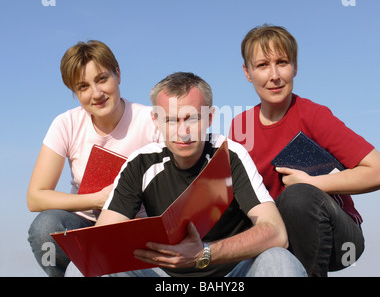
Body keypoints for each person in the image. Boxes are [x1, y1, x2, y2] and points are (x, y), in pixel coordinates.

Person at [65, 71, 306, 277]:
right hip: (165, 277)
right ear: (156, 120)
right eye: (170, 120)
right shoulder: (140, 163)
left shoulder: (230, 154)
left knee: (279, 260)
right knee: (82, 266)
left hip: (232, 275)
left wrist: (204, 253)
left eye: (192, 118)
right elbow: (101, 241)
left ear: (210, 118)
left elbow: (276, 232)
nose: (183, 132)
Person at [229, 24, 380, 276]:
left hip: (337, 236)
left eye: (282, 62)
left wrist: (313, 183)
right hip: (277, 237)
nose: (274, 75)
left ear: (295, 66)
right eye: (262, 65)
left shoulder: (312, 115)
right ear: (247, 72)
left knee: (298, 196)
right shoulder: (240, 126)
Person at [27, 40, 159, 277]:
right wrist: (96, 199)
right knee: (45, 227)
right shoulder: (66, 124)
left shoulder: (151, 121)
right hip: (84, 223)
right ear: (75, 93)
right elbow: (36, 197)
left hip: (134, 227)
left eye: (101, 79)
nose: (96, 94)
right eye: (83, 87)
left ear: (117, 74)